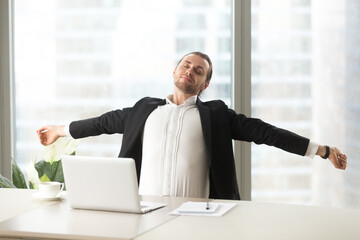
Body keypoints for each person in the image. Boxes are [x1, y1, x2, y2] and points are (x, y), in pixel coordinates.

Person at [37, 51, 347, 200]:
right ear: (174, 70)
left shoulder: (217, 115)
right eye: (186, 65)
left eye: (199, 71)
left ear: (204, 84)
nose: (190, 71)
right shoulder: (143, 109)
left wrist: (321, 150)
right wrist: (59, 130)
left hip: (200, 217)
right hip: (144, 212)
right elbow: (102, 123)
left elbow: (265, 132)